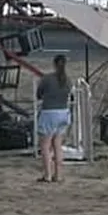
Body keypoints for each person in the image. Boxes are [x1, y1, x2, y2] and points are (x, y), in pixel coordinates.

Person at [36, 54, 72, 183]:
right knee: (57, 145)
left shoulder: (48, 79)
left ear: (54, 64)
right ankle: (59, 174)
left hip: (49, 112)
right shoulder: (68, 80)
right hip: (64, 112)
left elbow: (39, 94)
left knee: (45, 146)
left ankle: (47, 175)